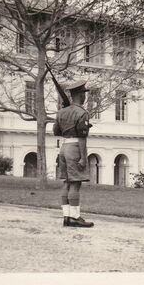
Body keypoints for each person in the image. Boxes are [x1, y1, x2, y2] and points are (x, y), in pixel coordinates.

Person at [53, 81, 94, 228]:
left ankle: (67, 216)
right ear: (80, 95)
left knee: (67, 182)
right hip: (75, 147)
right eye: (84, 94)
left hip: (64, 147)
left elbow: (56, 132)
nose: (84, 96)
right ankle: (75, 217)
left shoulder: (61, 112)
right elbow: (82, 138)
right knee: (75, 183)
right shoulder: (82, 113)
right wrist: (83, 157)